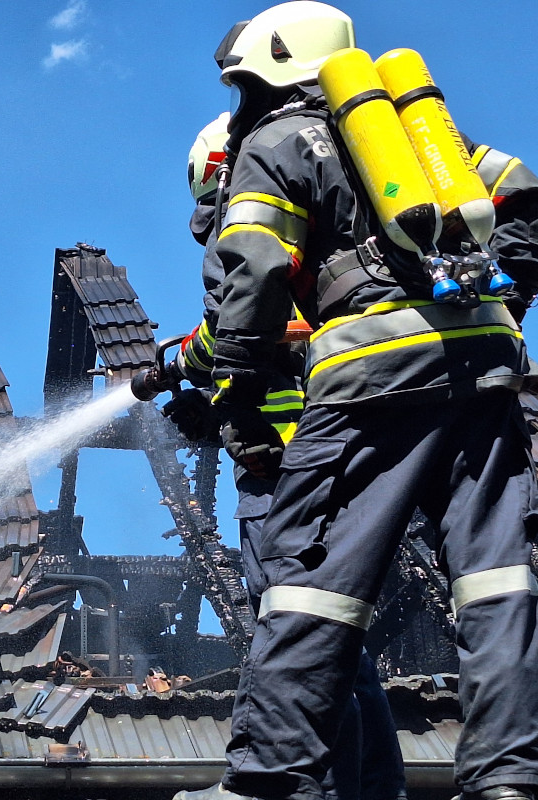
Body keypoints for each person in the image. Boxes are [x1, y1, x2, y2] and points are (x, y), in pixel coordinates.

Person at [172, 3, 538, 800]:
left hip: (372, 378)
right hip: (486, 368)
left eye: (242, 86)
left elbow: (257, 272)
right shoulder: (417, 139)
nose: (239, 106)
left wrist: (223, 381)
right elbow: (529, 207)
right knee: (497, 578)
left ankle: (269, 781)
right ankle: (506, 778)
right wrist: (503, 307)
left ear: (271, 69)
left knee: (309, 579)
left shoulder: (276, 142)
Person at [169, 112, 406, 800]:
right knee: (341, 650)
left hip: (289, 485)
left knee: (299, 642)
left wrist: (188, 367)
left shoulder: (270, 230)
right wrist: (214, 399)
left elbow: (250, 323)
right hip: (338, 469)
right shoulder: (344, 228)